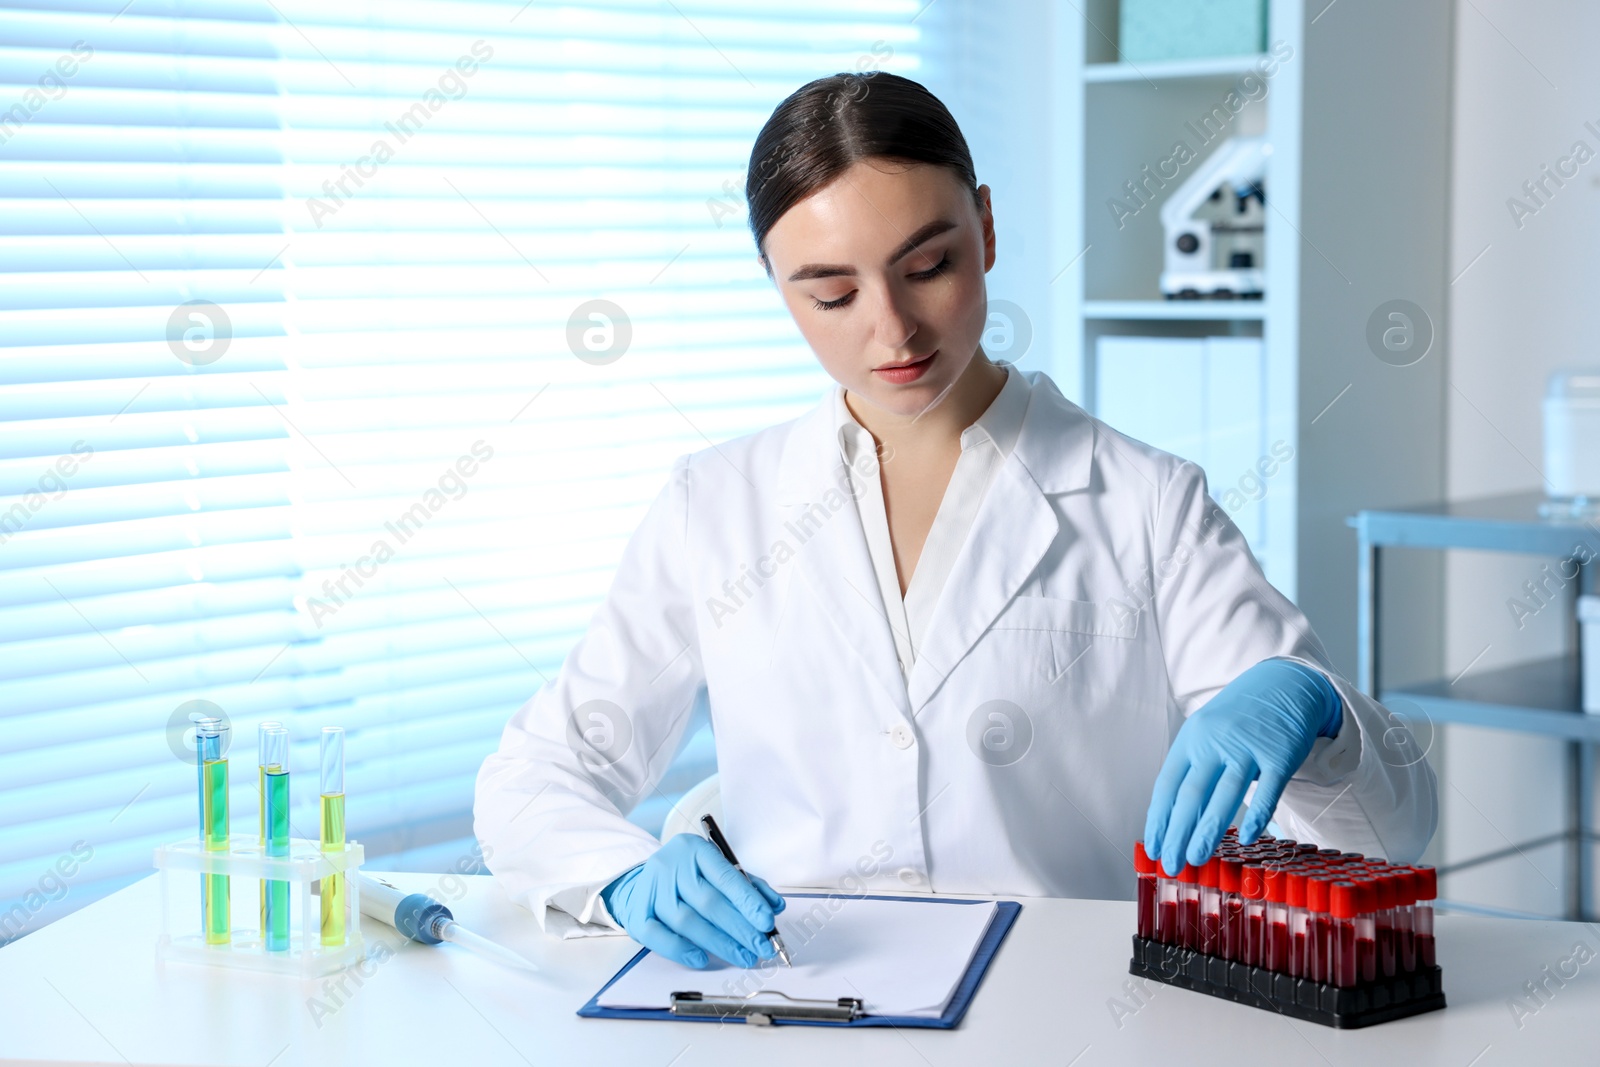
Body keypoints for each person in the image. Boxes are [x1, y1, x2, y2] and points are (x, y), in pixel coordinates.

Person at [473, 71, 1437, 971]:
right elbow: (532, 779)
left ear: (984, 223)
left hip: (1067, 1012)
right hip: (800, 999)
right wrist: (624, 875)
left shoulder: (1146, 502)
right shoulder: (715, 505)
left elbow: (1391, 830)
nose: (892, 329)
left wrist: (1310, 709)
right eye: (833, 293)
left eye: (927, 265)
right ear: (774, 280)